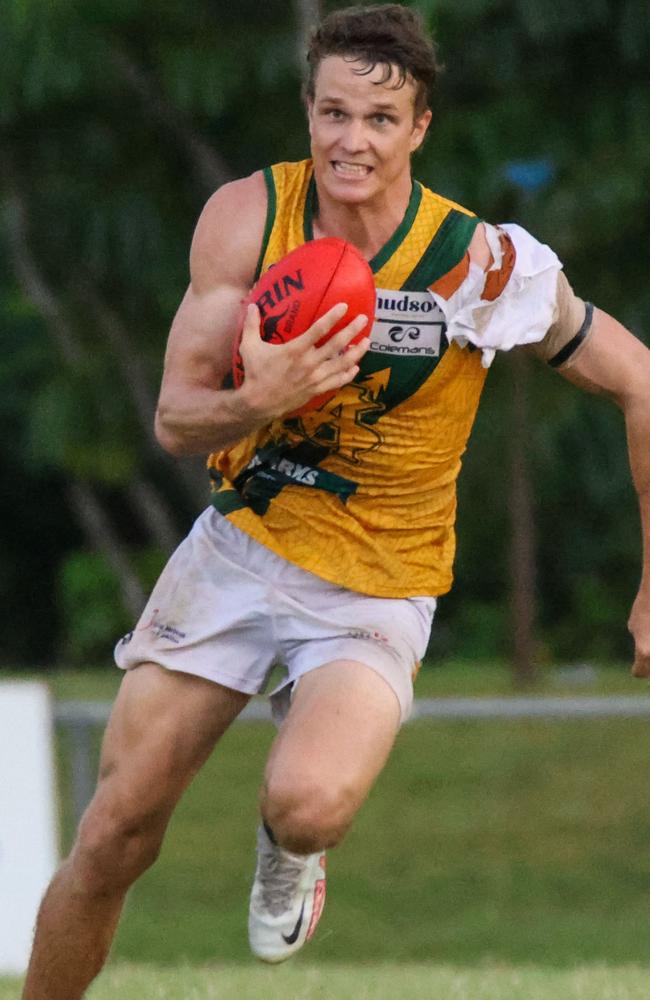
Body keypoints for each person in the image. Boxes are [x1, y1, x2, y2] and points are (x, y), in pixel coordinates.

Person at [22, 4, 650, 997]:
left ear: (418, 128)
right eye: (331, 114)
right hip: (240, 546)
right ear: (308, 113)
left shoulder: (476, 266)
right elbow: (178, 420)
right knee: (111, 834)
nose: (349, 140)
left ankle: (291, 852)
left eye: (377, 118)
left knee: (306, 801)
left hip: (377, 586)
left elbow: (637, 381)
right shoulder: (248, 218)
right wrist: (256, 399)